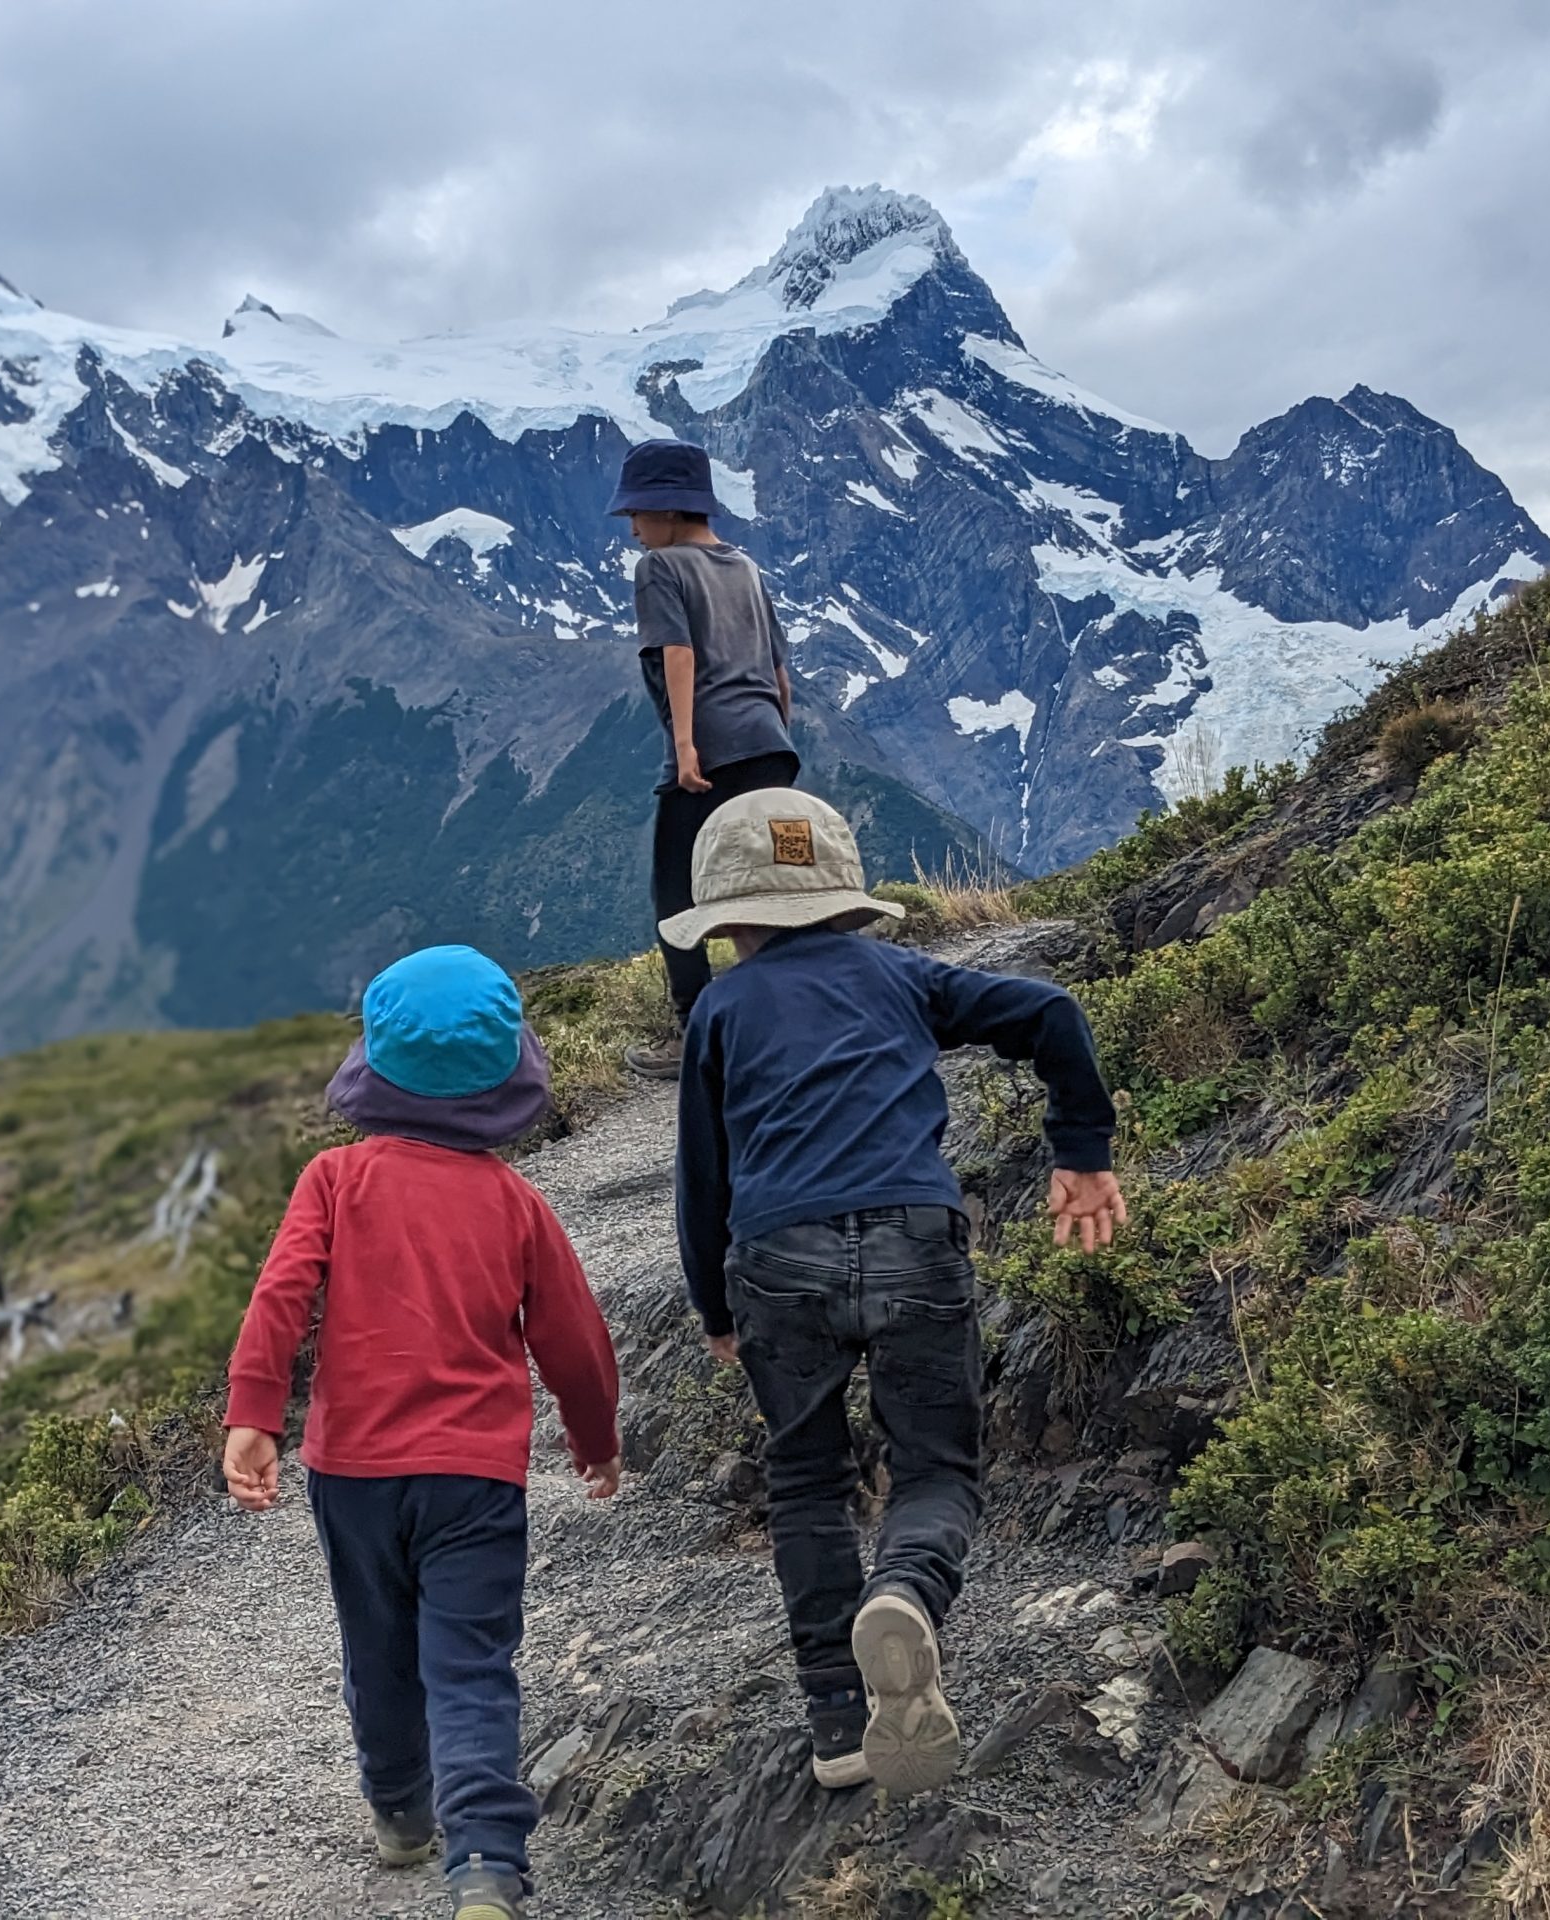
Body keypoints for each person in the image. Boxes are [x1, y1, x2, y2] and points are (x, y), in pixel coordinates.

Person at [661, 790, 1125, 1795]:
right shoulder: (899, 974)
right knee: (935, 1472)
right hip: (915, 1238)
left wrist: (714, 1309)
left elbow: (702, 1179)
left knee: (804, 1480)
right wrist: (1080, 1150)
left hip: (777, 1259)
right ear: (845, 897)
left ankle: (836, 1725)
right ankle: (907, 1593)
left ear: (728, 922)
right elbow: (1050, 1012)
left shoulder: (721, 1010)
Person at [223, 945, 623, 1920]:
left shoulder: (332, 1180)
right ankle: (485, 1861)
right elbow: (574, 1339)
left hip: (353, 1472)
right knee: (471, 1663)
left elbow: (282, 1296)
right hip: (477, 1480)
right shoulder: (516, 1203)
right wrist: (594, 1440)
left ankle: (400, 1812)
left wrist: (252, 1416)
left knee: (378, 1649)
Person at [605, 437, 800, 1077]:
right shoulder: (744, 566)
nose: (632, 528)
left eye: (636, 513)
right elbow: (779, 668)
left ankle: (696, 1032)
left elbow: (677, 653)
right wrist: (776, 731)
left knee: (675, 894)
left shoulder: (660, 570)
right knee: (774, 881)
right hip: (768, 741)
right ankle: (799, 1007)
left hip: (710, 750)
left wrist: (686, 746)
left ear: (666, 510)